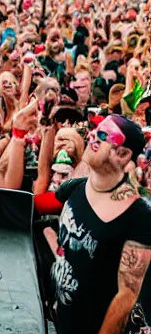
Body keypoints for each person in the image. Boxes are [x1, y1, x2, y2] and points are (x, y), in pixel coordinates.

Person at [45, 115, 151, 334]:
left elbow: (127, 296)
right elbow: (30, 207)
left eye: (102, 135)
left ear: (122, 154)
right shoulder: (74, 188)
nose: (92, 135)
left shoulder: (138, 216)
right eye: (94, 130)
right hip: (59, 320)